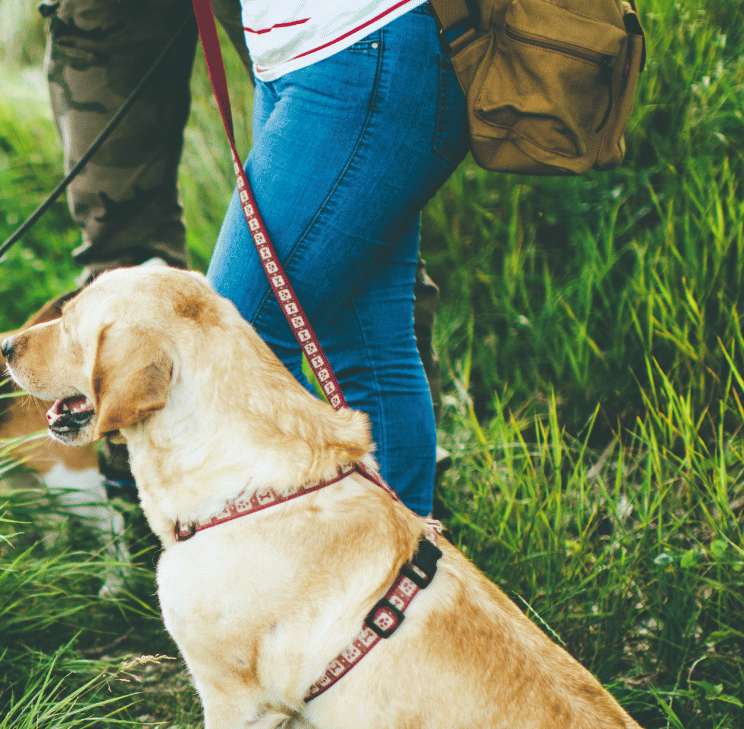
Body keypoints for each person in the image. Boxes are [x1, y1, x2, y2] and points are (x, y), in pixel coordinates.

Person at [45, 0, 462, 515]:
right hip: (305, 57)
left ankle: (291, 565)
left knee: (236, 341)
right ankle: (397, 569)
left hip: (355, 49)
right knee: (367, 346)